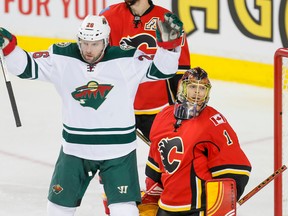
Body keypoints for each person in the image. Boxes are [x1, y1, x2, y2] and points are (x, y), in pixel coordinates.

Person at [0, 13, 183, 216]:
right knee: (57, 210)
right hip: (75, 149)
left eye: (95, 44)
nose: (88, 50)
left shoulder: (126, 58)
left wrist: (169, 47)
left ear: (105, 41)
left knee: (125, 211)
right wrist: (9, 47)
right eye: (84, 43)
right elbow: (25, 67)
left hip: (118, 151)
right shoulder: (62, 57)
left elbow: (163, 69)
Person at [144, 67, 252, 215]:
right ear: (182, 88)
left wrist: (223, 204)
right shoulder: (163, 116)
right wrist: (151, 197)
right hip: (166, 207)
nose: (197, 92)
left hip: (197, 209)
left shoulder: (214, 121)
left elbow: (236, 168)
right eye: (193, 87)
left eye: (202, 88)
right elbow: (155, 165)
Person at [100, 0, 191, 140]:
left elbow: (180, 69)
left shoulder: (167, 20)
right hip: (119, 107)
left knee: (168, 156)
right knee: (110, 156)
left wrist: (180, 106)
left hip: (158, 109)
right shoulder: (108, 16)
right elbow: (99, 61)